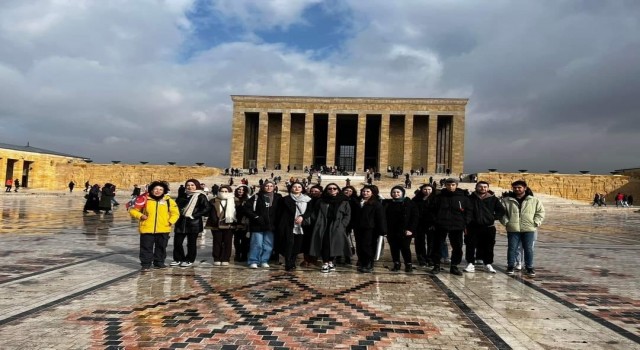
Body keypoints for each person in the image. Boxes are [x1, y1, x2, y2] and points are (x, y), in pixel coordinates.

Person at [128, 181, 180, 272]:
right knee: (146, 247)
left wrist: (170, 221)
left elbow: (175, 213)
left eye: (161, 189)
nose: (158, 191)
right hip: (147, 228)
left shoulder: (168, 201)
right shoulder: (144, 199)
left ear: (164, 191)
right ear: (151, 190)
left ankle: (159, 262)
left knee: (161, 247)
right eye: (155, 189)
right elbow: (132, 210)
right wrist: (140, 216)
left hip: (163, 228)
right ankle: (146, 264)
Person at [501, 180, 545, 277]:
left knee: (528, 249)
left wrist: (536, 222)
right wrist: (506, 222)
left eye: (519, 187)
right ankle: (510, 266)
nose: (517, 189)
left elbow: (540, 212)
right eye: (515, 187)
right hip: (513, 228)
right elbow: (502, 214)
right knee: (512, 248)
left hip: (529, 228)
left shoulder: (534, 200)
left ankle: (529, 267)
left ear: (525, 188)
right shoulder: (507, 200)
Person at [429, 178, 472, 276]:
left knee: (457, 246)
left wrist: (465, 222)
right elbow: (432, 210)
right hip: (441, 225)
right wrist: (435, 221)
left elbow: (469, 211)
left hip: (457, 225)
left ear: (456, 185)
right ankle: (436, 265)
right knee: (437, 246)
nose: (450, 187)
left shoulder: (463, 198)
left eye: (453, 185)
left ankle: (454, 266)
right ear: (445, 185)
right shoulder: (439, 197)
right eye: (448, 185)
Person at [464, 181, 505, 274]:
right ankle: (470, 263)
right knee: (470, 245)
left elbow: (501, 211)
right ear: (476, 187)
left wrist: (492, 217)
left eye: (485, 187)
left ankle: (488, 263)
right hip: (473, 226)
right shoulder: (470, 199)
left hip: (488, 226)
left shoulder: (493, 199)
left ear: (488, 188)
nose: (483, 188)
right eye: (480, 187)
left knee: (489, 246)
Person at [309, 183, 351, 273]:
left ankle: (331, 261)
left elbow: (347, 214)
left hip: (337, 225)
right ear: (326, 190)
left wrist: (343, 224)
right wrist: (317, 221)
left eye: (334, 188)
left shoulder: (344, 201)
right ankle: (325, 262)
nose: (332, 190)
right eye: (329, 188)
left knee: (334, 244)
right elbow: (314, 213)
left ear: (338, 190)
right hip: (323, 225)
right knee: (325, 244)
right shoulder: (321, 201)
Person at [171, 179, 211, 267]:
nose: (190, 187)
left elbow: (206, 208)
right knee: (177, 242)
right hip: (181, 222)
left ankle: (189, 259)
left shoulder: (201, 196)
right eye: (188, 185)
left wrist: (194, 215)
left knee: (191, 243)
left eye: (192, 185)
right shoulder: (182, 195)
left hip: (193, 223)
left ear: (196, 186)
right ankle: (178, 258)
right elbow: (175, 206)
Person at [244, 180, 282, 269]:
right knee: (257, 244)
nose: (269, 188)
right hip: (258, 225)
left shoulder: (278, 197)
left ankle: (264, 260)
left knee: (268, 245)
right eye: (267, 186)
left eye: (271, 186)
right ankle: (253, 261)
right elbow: (246, 208)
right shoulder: (256, 197)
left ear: (274, 187)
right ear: (263, 187)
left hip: (271, 225)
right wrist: (256, 217)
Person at [276, 182, 312, 271]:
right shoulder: (285, 199)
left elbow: (309, 211)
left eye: (299, 187)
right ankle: (288, 263)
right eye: (294, 187)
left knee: (297, 244)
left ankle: (293, 261)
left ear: (302, 188)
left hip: (301, 225)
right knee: (289, 243)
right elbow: (279, 212)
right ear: (291, 188)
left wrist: (302, 217)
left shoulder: (307, 199)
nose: (297, 188)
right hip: (288, 224)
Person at [384, 186, 419, 272]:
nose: (396, 194)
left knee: (405, 247)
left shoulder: (409, 203)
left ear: (402, 193)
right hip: (391, 230)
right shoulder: (388, 203)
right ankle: (396, 263)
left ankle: (408, 264)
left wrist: (411, 229)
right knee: (393, 247)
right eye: (394, 192)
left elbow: (415, 218)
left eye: (398, 192)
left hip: (405, 230)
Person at [354, 185, 386, 273]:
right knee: (359, 245)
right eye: (364, 191)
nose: (365, 193)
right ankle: (362, 262)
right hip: (358, 228)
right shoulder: (358, 201)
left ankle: (369, 263)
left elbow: (380, 218)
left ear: (372, 193)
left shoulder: (376, 204)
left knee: (367, 246)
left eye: (368, 191)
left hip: (370, 228)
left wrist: (382, 230)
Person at [206, 185, 237, 266]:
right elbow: (209, 211)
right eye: (222, 191)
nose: (224, 193)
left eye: (226, 191)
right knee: (217, 242)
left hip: (229, 224)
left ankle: (226, 258)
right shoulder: (213, 200)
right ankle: (217, 258)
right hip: (216, 224)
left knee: (227, 242)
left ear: (230, 192)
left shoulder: (234, 201)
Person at [412, 184, 435, 267]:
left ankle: (430, 258)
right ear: (421, 190)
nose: (427, 191)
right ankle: (421, 258)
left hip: (431, 224)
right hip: (419, 224)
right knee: (419, 241)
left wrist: (434, 223)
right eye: (425, 189)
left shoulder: (436, 199)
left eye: (429, 189)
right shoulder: (416, 199)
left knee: (431, 242)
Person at [233, 185, 252, 262]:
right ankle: (237, 254)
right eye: (239, 190)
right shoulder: (232, 199)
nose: (240, 191)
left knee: (245, 240)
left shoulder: (248, 200)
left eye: (243, 190)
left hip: (245, 222)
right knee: (236, 240)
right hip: (235, 221)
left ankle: (244, 255)